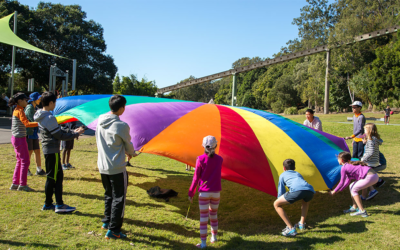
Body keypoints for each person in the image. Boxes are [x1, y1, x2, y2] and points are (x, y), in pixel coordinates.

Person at [34, 91, 84, 213]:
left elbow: (58, 129)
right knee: (55, 178)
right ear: (51, 102)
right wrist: (76, 133)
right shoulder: (49, 117)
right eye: (55, 102)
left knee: (53, 177)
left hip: (48, 150)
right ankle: (57, 204)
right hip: (52, 150)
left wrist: (72, 131)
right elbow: (59, 135)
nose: (55, 105)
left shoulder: (41, 115)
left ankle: (49, 204)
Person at [96, 95, 137, 240]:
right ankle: (114, 230)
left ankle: (107, 222)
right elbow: (128, 145)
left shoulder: (100, 120)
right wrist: (132, 153)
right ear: (121, 108)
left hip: (103, 165)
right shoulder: (121, 125)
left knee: (109, 195)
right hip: (117, 167)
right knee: (119, 198)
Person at [188, 136, 223, 248]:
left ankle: (203, 243)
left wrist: (191, 193)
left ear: (203, 146)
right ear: (215, 146)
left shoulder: (200, 159)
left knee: (203, 218)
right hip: (216, 192)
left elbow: (196, 178)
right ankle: (214, 237)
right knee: (214, 215)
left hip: (204, 193)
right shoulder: (220, 159)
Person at [330, 151, 379, 218]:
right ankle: (354, 207)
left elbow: (342, 182)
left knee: (353, 190)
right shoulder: (351, 164)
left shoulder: (344, 167)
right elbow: (347, 181)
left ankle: (362, 211)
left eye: (338, 159)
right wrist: (340, 190)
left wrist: (334, 191)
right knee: (351, 186)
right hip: (375, 176)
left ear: (341, 160)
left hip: (370, 177)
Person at [273, 159, 315, 237]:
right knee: (305, 202)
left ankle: (290, 228)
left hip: (298, 191)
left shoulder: (282, 175)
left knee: (276, 204)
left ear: (284, 168)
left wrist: (280, 200)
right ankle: (301, 224)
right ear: (294, 168)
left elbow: (281, 191)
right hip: (310, 190)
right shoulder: (298, 173)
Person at [9, 92, 38, 192]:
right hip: (20, 139)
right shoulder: (20, 111)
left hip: (15, 138)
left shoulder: (16, 110)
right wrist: (40, 123)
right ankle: (22, 185)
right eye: (26, 100)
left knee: (20, 161)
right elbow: (27, 124)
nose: (27, 101)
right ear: (20, 101)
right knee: (25, 161)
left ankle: (15, 183)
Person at [360, 123, 384, 200]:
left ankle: (372, 191)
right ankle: (364, 195)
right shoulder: (374, 139)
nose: (364, 131)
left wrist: (363, 160)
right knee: (364, 177)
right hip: (374, 161)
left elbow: (371, 152)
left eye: (365, 130)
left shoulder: (371, 140)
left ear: (369, 131)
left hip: (370, 162)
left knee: (364, 178)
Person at [24, 92, 46, 176]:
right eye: (38, 98)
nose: (40, 100)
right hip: (29, 133)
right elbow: (30, 121)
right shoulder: (29, 108)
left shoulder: (35, 107)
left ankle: (39, 169)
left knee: (37, 150)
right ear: (34, 100)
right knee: (29, 151)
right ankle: (26, 169)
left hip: (34, 133)